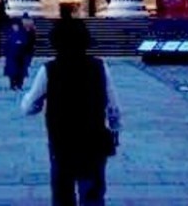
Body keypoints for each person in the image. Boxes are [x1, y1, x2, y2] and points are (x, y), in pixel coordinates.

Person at [22, 18, 121, 206]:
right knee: (92, 194)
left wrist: (33, 102)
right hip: (93, 140)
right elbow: (113, 106)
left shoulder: (49, 69)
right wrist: (115, 128)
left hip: (62, 142)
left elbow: (29, 107)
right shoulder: (99, 66)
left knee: (62, 193)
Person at [4, 19, 28, 91]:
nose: (15, 27)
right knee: (12, 72)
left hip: (20, 56)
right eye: (14, 26)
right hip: (11, 56)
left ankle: (19, 84)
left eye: (16, 26)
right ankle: (12, 84)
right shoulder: (10, 34)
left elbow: (25, 44)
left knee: (20, 72)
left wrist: (21, 44)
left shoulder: (22, 34)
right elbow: (7, 45)